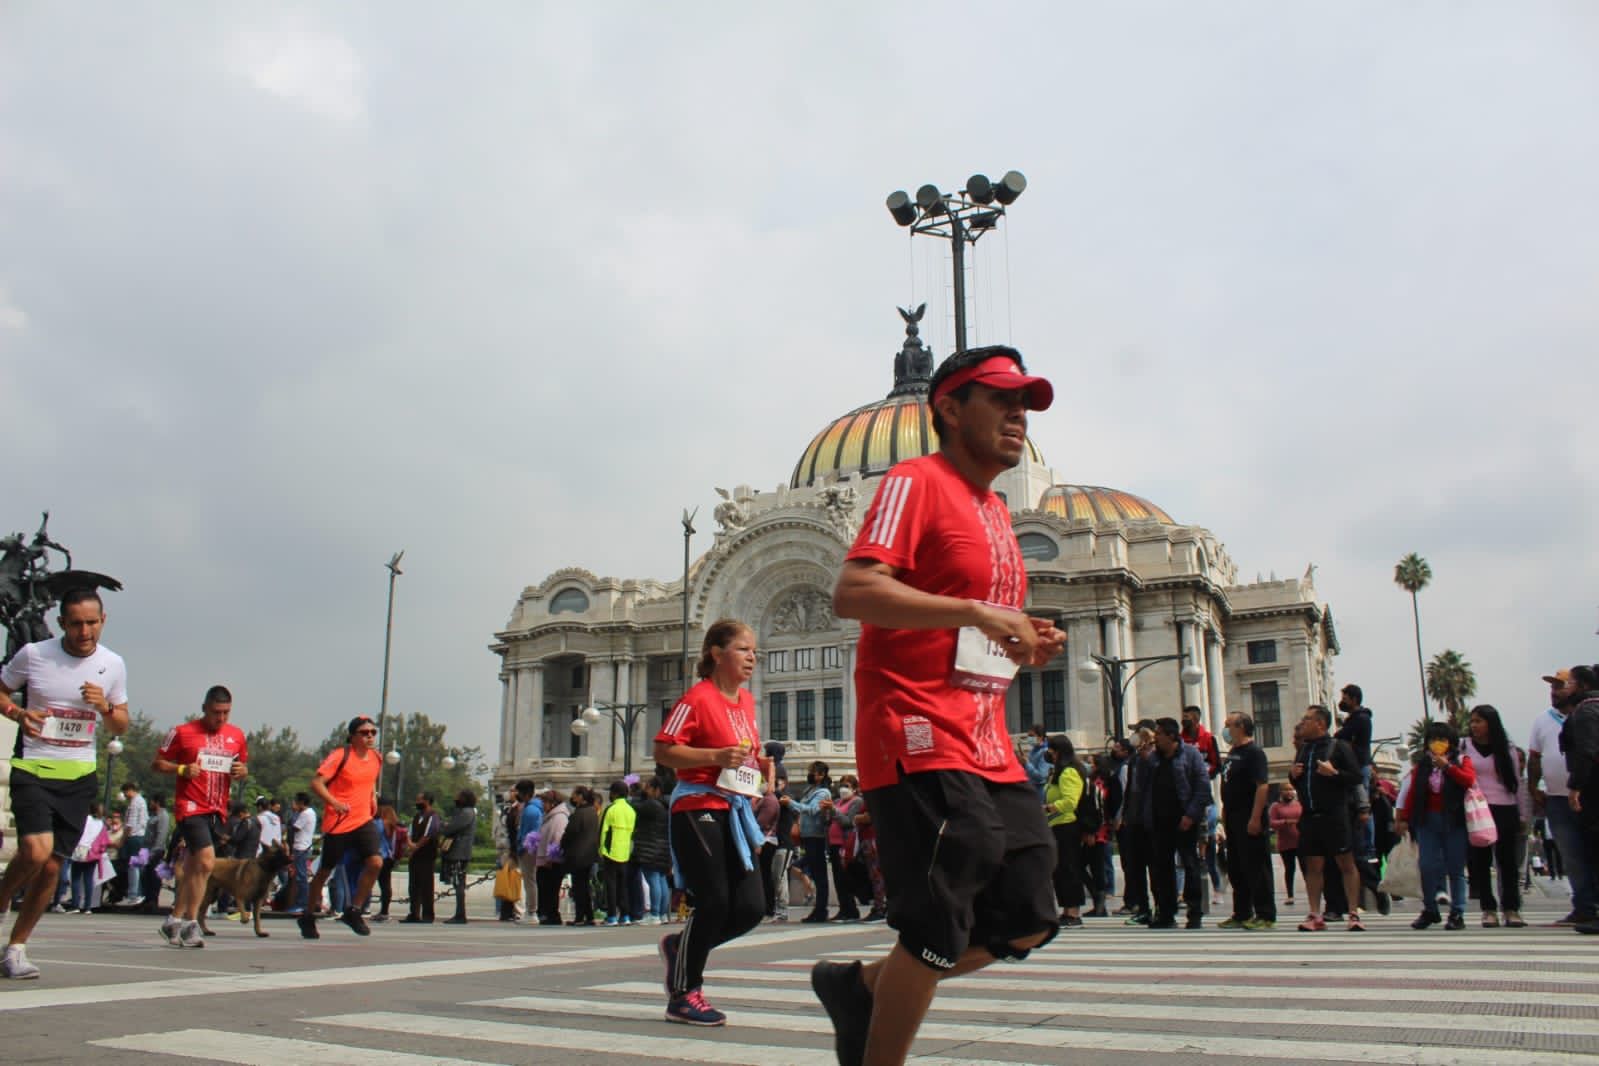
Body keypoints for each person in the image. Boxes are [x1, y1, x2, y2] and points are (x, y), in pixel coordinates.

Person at [817, 345, 1066, 1066]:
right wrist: (979, 614)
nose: (1018, 417)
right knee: (941, 907)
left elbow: (975, 633)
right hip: (912, 727)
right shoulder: (912, 480)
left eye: (1025, 405)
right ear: (949, 408)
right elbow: (853, 591)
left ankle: (860, 988)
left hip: (986, 740)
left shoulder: (995, 513)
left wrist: (1025, 641)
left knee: (1027, 912)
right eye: (1001, 400)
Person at [0, 588, 131, 979]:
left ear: (103, 620)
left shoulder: (113, 664)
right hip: (35, 767)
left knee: (52, 870)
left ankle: (16, 948)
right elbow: (1, 690)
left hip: (78, 776)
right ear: (62, 624)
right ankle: (4, 896)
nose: (85, 631)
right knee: (35, 852)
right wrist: (17, 712)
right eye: (76, 623)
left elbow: (121, 722)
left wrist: (104, 707)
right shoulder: (34, 655)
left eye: (92, 622)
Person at [653, 619, 771, 1026]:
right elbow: (665, 750)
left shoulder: (747, 702)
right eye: (743, 649)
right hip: (697, 806)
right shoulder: (697, 698)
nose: (752, 657)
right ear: (716, 654)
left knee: (753, 906)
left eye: (754, 650)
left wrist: (759, 775)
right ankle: (684, 994)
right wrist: (715, 757)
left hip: (734, 810)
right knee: (715, 901)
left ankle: (679, 947)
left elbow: (743, 756)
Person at [152, 684, 250, 944]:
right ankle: (191, 923)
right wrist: (181, 769)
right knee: (206, 862)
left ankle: (173, 920)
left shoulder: (236, 735)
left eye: (226, 713)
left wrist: (242, 772)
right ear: (205, 708)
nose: (221, 718)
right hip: (191, 806)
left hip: (218, 809)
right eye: (216, 712)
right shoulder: (182, 733)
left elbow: (242, 765)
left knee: (196, 868)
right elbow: (158, 763)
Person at [298, 716, 384, 939]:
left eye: (373, 732)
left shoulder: (376, 758)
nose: (370, 737)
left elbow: (371, 779)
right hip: (339, 822)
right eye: (365, 733)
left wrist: (373, 796)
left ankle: (353, 910)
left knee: (376, 862)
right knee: (325, 871)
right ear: (353, 736)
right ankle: (308, 914)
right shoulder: (340, 756)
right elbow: (316, 783)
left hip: (363, 820)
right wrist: (334, 802)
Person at [1291, 704, 1365, 932]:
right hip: (1310, 816)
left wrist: (1334, 773)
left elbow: (1355, 777)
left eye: (1307, 719)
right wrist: (1292, 776)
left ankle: (1353, 912)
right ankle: (1315, 913)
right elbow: (1300, 781)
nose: (1303, 723)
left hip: (1335, 814)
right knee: (1313, 865)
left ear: (1320, 724)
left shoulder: (1339, 746)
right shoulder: (1304, 749)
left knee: (1346, 863)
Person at [1397, 719, 1477, 929]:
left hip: (1454, 819)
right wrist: (1404, 817)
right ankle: (1430, 909)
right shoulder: (1422, 765)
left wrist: (1448, 767)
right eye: (1433, 740)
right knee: (1427, 866)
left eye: (1442, 740)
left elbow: (1468, 780)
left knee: (1456, 868)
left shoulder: (1461, 760)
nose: (1437, 744)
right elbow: (1413, 792)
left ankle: (1457, 912)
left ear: (1450, 742)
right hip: (1427, 820)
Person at [1532, 668, 1594, 925]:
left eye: (1561, 686)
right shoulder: (1543, 720)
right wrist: (1533, 787)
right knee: (1571, 855)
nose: (1555, 691)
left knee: (1592, 851)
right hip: (1557, 797)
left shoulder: (1587, 713)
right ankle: (1584, 906)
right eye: (1552, 687)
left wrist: (1578, 785)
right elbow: (1534, 756)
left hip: (1588, 795)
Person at [1461, 705, 1531, 927]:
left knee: (1507, 861)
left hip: (1504, 806)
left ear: (1491, 723)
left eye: (1479, 721)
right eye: (1472, 721)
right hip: (1478, 808)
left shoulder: (1506, 748)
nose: (1474, 726)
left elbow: (1516, 782)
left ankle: (1511, 908)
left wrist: (1522, 814)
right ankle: (1488, 909)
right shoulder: (1464, 746)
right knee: (1480, 861)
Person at [1141, 718, 1211, 929]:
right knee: (1162, 867)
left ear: (1171, 736)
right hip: (1159, 820)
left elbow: (1202, 787)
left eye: (1159, 734)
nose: (1156, 739)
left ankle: (1194, 911)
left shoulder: (1190, 755)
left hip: (1184, 820)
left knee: (1189, 864)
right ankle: (1166, 912)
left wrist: (1191, 815)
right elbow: (1144, 788)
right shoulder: (1154, 759)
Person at [1220, 713, 1275, 930]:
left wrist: (1255, 817)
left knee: (1256, 866)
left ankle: (1265, 914)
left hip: (1249, 815)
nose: (1226, 729)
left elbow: (1262, 786)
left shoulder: (1254, 753)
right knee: (1237, 866)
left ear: (1241, 726)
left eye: (1229, 725)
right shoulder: (1234, 752)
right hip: (1232, 816)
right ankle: (1242, 912)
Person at [1560, 665, 1599, 934]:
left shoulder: (1586, 711)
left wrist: (1575, 787)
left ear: (1583, 685)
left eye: (1570, 683)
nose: (1566, 688)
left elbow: (1587, 752)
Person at [1043, 735, 1087, 928]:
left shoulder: (1069, 771)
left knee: (1069, 868)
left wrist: (1049, 807)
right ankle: (1066, 909)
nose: (1048, 753)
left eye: (1051, 749)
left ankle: (1073, 911)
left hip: (1067, 825)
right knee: (1060, 870)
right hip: (1056, 825)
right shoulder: (1057, 772)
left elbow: (1070, 801)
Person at [794, 761, 834, 922]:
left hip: (816, 836)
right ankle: (819, 908)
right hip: (808, 835)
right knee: (815, 872)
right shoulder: (810, 790)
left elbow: (812, 810)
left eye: (814, 772)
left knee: (819, 874)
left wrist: (791, 804)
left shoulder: (823, 792)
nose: (811, 774)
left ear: (822, 774)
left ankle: (821, 909)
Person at [633, 778, 671, 925]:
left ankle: (655, 913)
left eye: (648, 787)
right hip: (663, 848)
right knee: (661, 880)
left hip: (650, 847)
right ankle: (662, 914)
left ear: (655, 789)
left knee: (653, 879)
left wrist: (639, 794)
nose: (645, 790)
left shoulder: (651, 804)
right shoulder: (664, 805)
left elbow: (634, 806)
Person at [599, 779, 637, 926]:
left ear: (614, 794)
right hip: (625, 851)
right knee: (623, 885)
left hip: (610, 851)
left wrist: (601, 849)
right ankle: (625, 915)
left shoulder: (610, 809)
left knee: (611, 885)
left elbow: (603, 831)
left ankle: (612, 916)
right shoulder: (631, 810)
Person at [559, 786, 597, 925]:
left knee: (579, 887)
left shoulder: (579, 813)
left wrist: (562, 845)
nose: (572, 798)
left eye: (574, 795)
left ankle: (580, 917)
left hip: (578, 854)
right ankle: (589, 916)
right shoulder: (592, 811)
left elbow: (570, 833)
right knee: (585, 886)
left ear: (581, 796)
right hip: (589, 854)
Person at [440, 789, 479, 924]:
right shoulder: (464, 812)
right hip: (459, 850)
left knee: (459, 883)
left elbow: (452, 828)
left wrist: (443, 825)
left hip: (459, 850)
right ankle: (459, 913)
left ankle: (460, 914)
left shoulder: (467, 812)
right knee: (458, 883)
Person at [402, 792, 441, 923]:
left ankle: (428, 915)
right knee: (413, 885)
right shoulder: (416, 817)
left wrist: (416, 846)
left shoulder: (433, 816)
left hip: (426, 856)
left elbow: (429, 834)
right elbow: (409, 832)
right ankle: (414, 913)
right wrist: (409, 845)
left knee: (426, 886)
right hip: (415, 856)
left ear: (427, 801)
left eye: (419, 800)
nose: (417, 802)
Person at [534, 789, 569, 925]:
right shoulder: (549, 817)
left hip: (552, 861)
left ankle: (552, 915)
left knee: (551, 889)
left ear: (552, 803)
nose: (543, 805)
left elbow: (557, 838)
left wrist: (550, 858)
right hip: (545, 859)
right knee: (545, 888)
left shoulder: (559, 817)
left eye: (544, 802)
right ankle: (546, 913)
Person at [515, 779, 543, 926]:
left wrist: (523, 847)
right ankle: (531, 910)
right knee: (530, 881)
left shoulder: (531, 810)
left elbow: (529, 832)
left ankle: (531, 911)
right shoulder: (532, 808)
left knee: (529, 881)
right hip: (529, 848)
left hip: (528, 849)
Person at [373, 799, 407, 921]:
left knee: (370, 881)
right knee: (386, 884)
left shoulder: (379, 823)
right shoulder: (395, 823)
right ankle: (384, 911)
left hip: (379, 855)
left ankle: (363, 908)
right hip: (390, 856)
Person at [1270, 783, 1302, 908]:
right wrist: (1286, 822)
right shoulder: (1276, 806)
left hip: (1301, 841)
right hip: (1285, 843)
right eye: (1286, 789)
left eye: (1291, 789)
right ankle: (1290, 895)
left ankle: (1313, 892)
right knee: (1290, 869)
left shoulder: (1300, 805)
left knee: (1306, 868)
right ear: (1281, 792)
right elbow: (1272, 822)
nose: (1289, 792)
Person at [120, 782, 149, 907]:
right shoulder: (141, 801)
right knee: (137, 866)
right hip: (141, 836)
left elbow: (130, 824)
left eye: (126, 792)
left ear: (130, 790)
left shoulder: (135, 802)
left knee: (133, 866)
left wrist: (123, 838)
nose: (125, 795)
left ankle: (134, 894)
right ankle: (137, 892)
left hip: (134, 837)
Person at [287, 792, 317, 914]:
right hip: (303, 846)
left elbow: (295, 827)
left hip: (301, 847)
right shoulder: (311, 812)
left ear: (301, 802)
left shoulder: (305, 814)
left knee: (301, 877)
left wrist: (294, 813)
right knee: (300, 876)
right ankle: (301, 902)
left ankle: (302, 903)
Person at [1181, 705, 1220, 780]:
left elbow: (1216, 764)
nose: (1183, 720)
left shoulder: (1208, 738)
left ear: (1195, 719)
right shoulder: (1180, 739)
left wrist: (1205, 777)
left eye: (1186, 717)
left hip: (1203, 782)